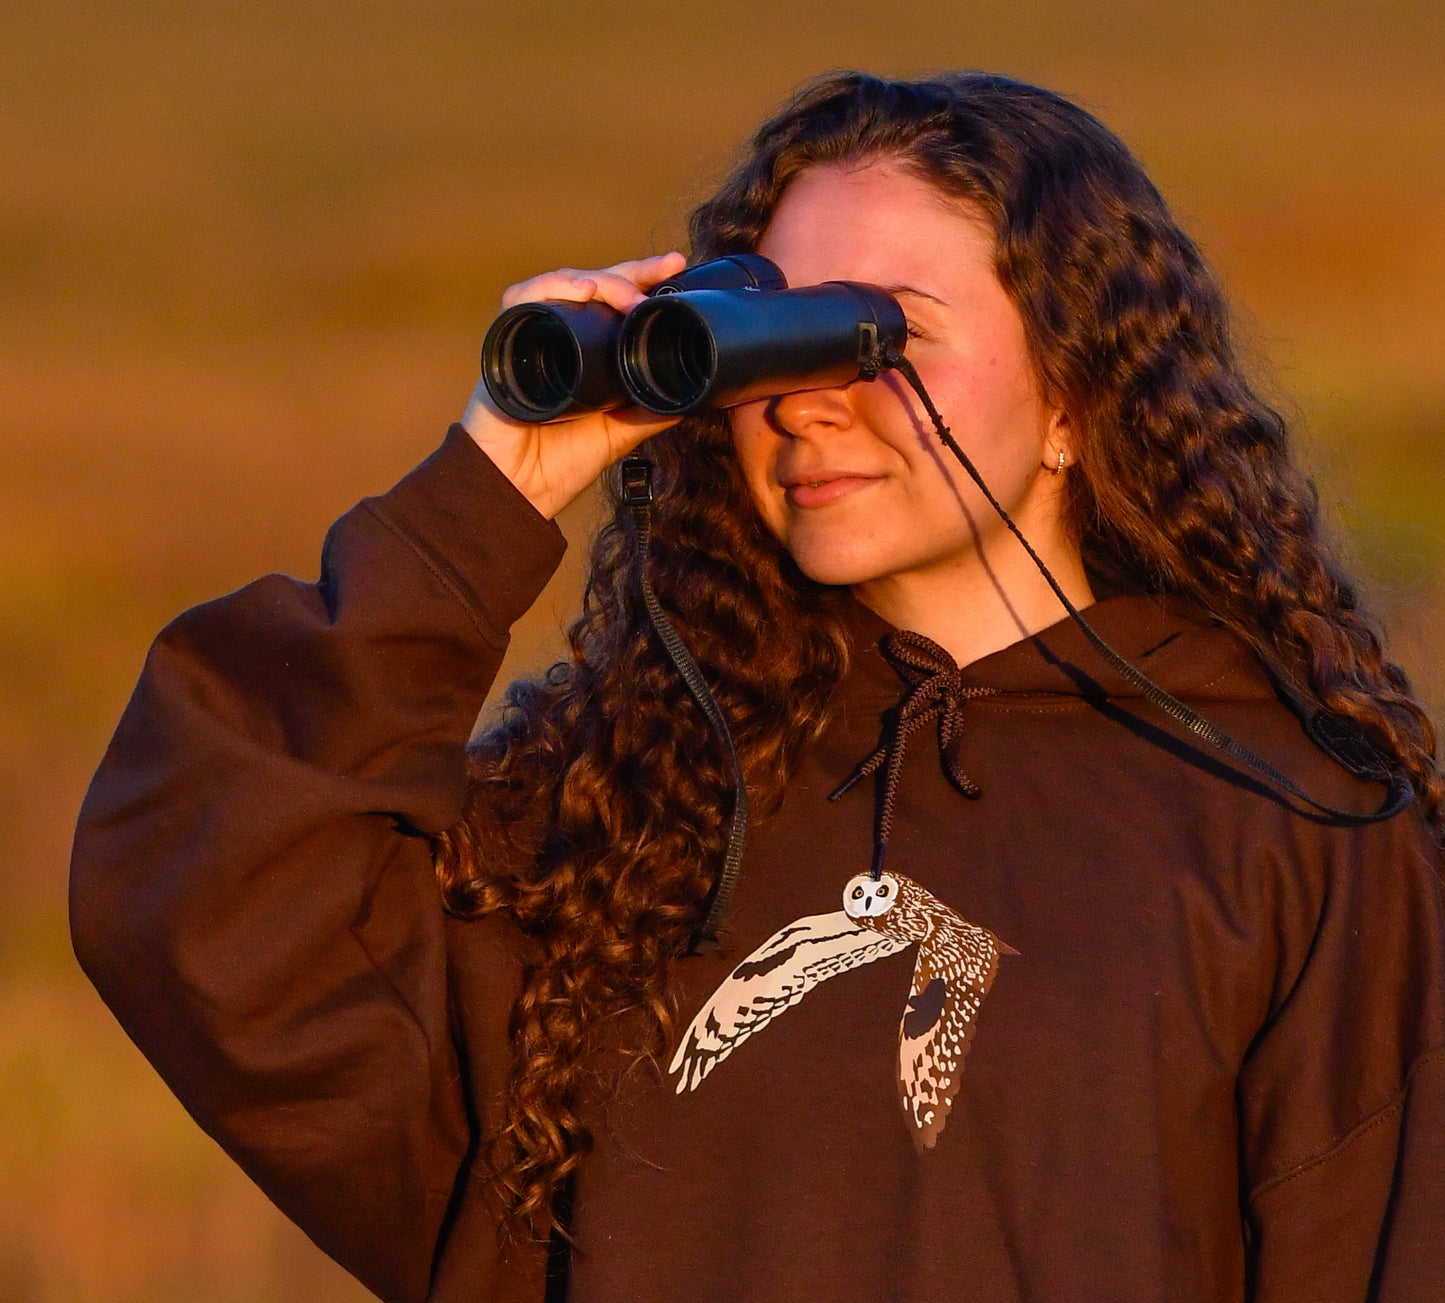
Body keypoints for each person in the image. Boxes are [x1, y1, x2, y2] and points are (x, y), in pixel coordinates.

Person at [70, 70, 1445, 1303]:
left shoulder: (1285, 821)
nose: (803, 400)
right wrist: (490, 492)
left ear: (1079, 397)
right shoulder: (627, 815)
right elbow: (204, 895)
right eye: (764, 341)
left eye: (875, 334)